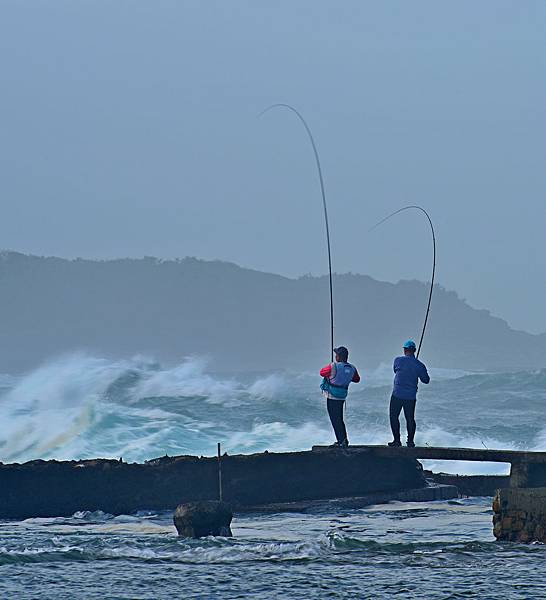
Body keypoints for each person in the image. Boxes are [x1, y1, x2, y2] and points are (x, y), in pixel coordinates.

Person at [388, 339, 430, 448]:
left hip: (397, 394)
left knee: (393, 417)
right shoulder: (419, 365)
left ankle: (397, 441)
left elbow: (395, 370)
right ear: (415, 350)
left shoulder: (397, 360)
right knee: (410, 418)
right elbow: (426, 380)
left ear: (405, 350)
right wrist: (418, 368)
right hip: (410, 397)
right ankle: (410, 442)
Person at [320, 346, 361, 448]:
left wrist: (332, 367)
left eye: (336, 355)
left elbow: (322, 372)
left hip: (332, 396)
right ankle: (343, 440)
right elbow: (357, 379)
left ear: (338, 357)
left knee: (335, 419)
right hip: (342, 396)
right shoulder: (352, 368)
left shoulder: (333, 366)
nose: (335, 357)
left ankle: (341, 441)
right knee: (339, 418)